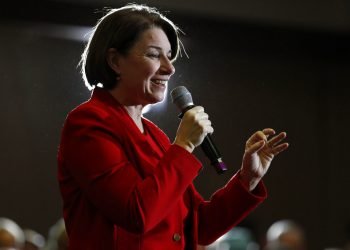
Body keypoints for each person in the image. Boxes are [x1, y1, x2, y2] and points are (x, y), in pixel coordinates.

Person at [57, 4, 289, 250]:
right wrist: (184, 145)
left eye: (169, 56)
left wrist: (247, 179)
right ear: (115, 60)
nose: (169, 68)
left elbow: (201, 227)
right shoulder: (87, 122)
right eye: (155, 55)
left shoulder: (154, 135)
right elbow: (135, 213)